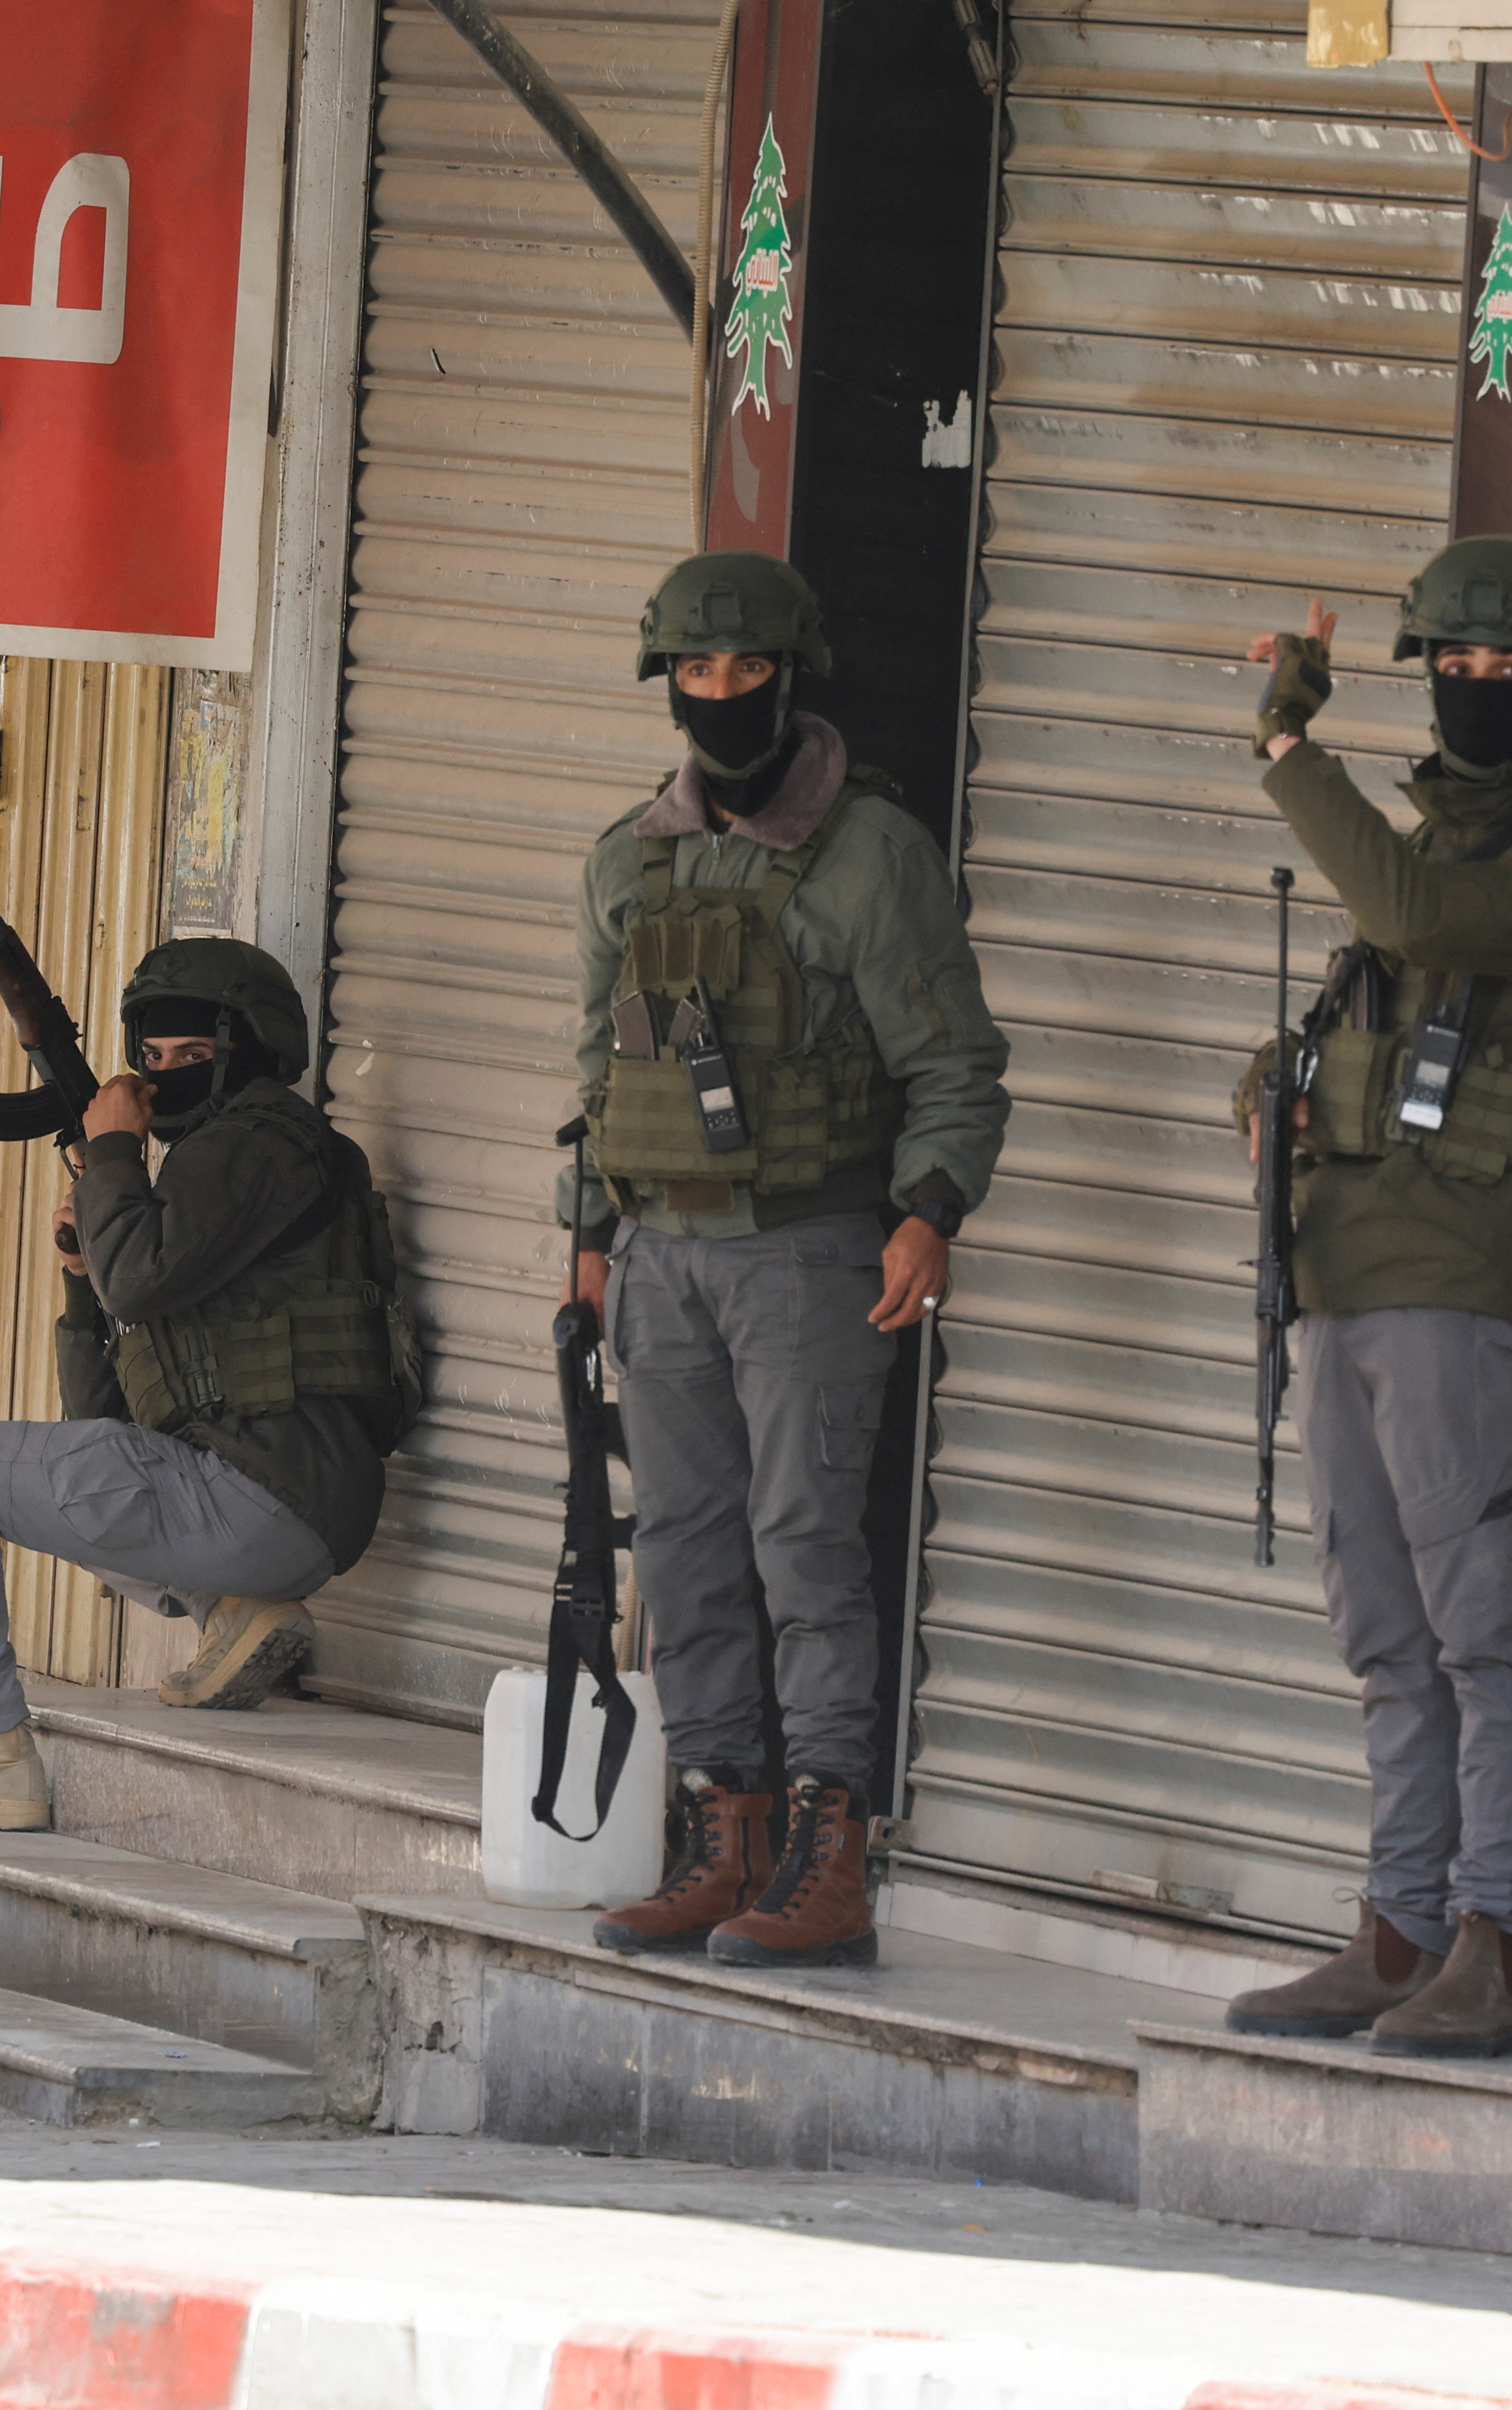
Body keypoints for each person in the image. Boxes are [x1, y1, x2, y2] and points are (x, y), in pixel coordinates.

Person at [1220, 537, 1512, 2061]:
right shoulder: (1427, 849)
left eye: (1503, 669)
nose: (1474, 690)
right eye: (1452, 666)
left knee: (1477, 1633)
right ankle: (1400, 1928)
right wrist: (1275, 1091)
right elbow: (1365, 1002)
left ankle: (1496, 1942)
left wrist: (1290, 744)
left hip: (1461, 1279)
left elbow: (1411, 914)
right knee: (1383, 1634)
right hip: (1344, 1272)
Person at [572, 551, 1011, 1972]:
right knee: (684, 1554)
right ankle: (725, 1838)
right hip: (661, 1255)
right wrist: (589, 1240)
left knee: (804, 1547)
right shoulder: (628, 861)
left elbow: (953, 1062)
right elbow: (598, 1071)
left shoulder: (869, 855)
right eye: (696, 671)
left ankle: (831, 1861)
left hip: (807, 1249)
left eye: (747, 669)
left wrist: (928, 1210)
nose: (721, 693)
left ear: (791, 673)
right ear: (667, 683)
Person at [0, 939, 417, 1831]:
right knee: (66, 1475)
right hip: (284, 1515)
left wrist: (113, 1153)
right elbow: (101, 1420)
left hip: (261, 1497)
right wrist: (83, 1275)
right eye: (149, 1056)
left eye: (191, 1054)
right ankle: (237, 1608)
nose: (161, 1076)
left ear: (250, 1049)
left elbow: (141, 1281)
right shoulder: (237, 1173)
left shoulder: (255, 1145)